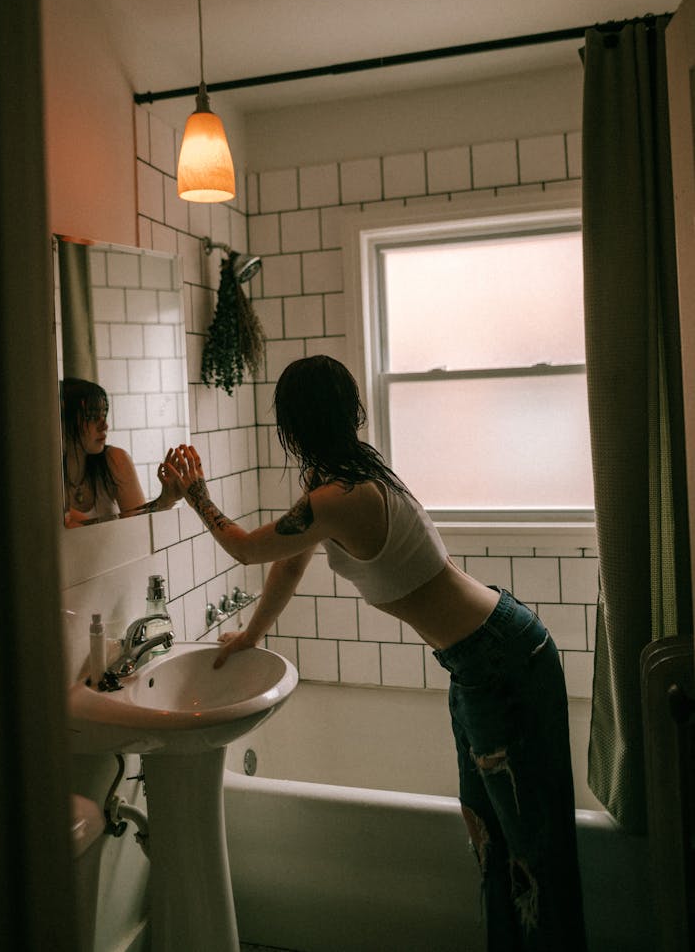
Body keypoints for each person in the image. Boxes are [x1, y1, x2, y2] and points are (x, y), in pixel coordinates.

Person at [163, 355, 587, 951]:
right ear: (349, 410)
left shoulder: (343, 494)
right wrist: (253, 635)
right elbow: (287, 565)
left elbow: (246, 549)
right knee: (492, 841)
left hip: (503, 662)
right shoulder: (344, 480)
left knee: (530, 859)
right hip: (482, 662)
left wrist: (196, 493)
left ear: (293, 423)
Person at [61, 377, 179, 526]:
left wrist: (167, 499)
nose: (104, 425)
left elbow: (137, 525)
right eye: (92, 417)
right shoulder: (46, 479)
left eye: (104, 415)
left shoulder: (115, 460)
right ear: (65, 421)